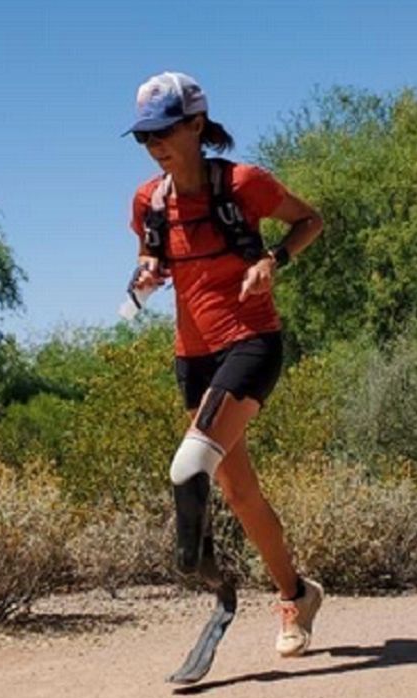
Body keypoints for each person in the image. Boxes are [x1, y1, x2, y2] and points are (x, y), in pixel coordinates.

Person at [125, 72, 326, 660]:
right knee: (238, 493)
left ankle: (213, 583)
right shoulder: (149, 200)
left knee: (189, 466)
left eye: (164, 131)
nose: (154, 144)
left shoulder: (244, 183)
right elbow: (151, 254)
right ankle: (297, 594)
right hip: (193, 356)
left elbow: (309, 220)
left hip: (251, 342)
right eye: (144, 137)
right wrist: (145, 271)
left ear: (194, 125)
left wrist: (272, 259)